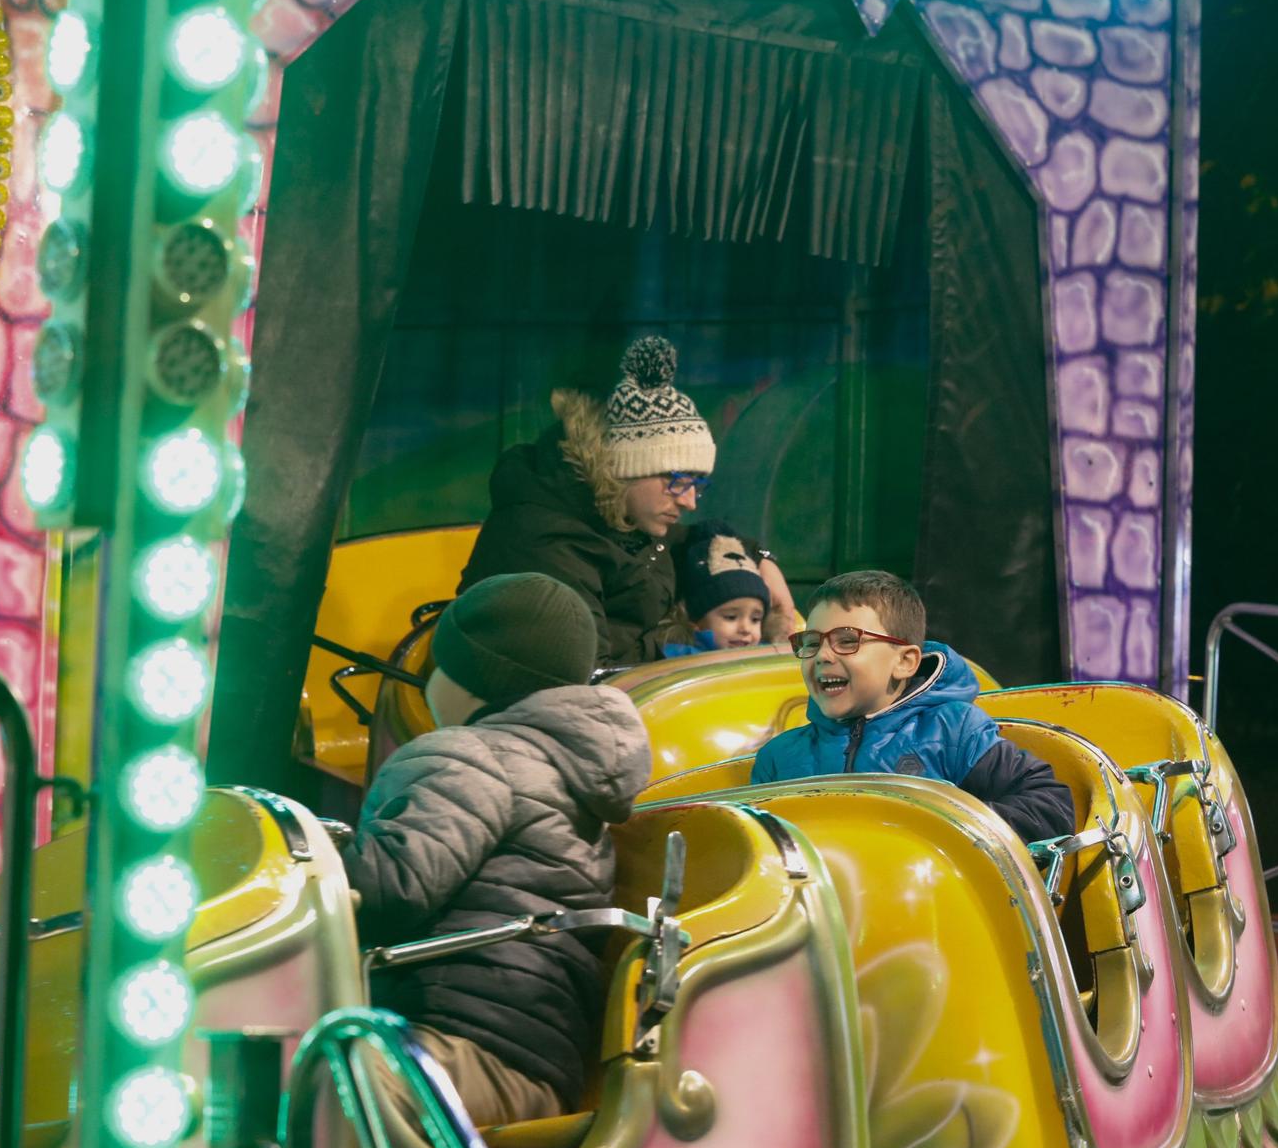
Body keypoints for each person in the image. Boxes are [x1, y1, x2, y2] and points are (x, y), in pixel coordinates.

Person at [343, 572, 650, 1127]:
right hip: (533, 1063)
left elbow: (386, 892)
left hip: (458, 1048)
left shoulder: (466, 756)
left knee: (301, 1077)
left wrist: (312, 855)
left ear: (468, 678)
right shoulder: (567, 772)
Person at [458, 337, 791, 666]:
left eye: (697, 484)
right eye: (678, 481)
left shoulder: (623, 519)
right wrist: (682, 643)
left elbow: (695, 539)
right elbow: (587, 675)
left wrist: (759, 556)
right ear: (627, 468)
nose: (690, 501)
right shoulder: (545, 545)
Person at [750, 570, 1075, 845]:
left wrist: (936, 830)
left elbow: (1050, 807)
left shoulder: (953, 730)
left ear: (905, 662)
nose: (822, 656)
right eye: (811, 642)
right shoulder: (778, 758)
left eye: (847, 641)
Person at [662, 520, 771, 658]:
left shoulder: (766, 657)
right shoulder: (679, 660)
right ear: (695, 622)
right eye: (731, 617)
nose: (746, 629)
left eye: (755, 619)